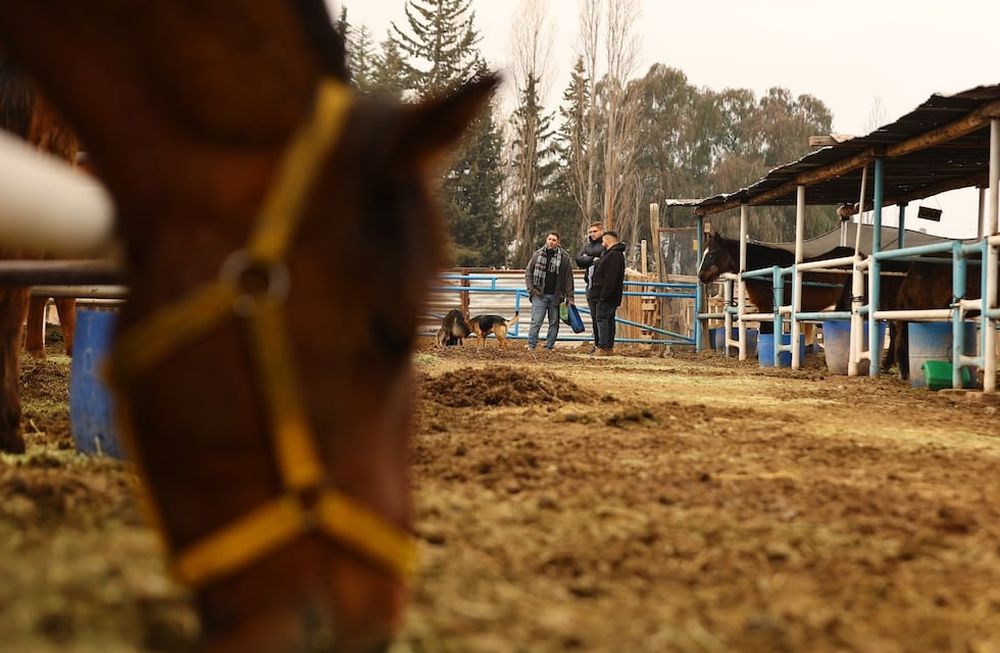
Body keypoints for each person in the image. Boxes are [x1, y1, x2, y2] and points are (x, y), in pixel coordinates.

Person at [524, 231, 575, 351]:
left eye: (554, 240)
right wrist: (531, 290)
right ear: (546, 240)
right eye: (549, 239)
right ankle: (531, 345)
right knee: (536, 321)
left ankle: (549, 346)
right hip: (539, 295)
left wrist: (570, 297)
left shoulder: (564, 258)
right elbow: (528, 273)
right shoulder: (537, 255)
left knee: (554, 323)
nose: (551, 242)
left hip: (556, 296)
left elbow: (568, 278)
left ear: (558, 242)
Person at [588, 230, 626, 356]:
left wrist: (604, 295)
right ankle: (608, 347)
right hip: (609, 295)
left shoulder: (614, 255)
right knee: (608, 320)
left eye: (603, 240)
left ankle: (603, 347)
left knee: (602, 319)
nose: (602, 242)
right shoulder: (613, 254)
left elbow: (611, 278)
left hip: (606, 295)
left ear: (609, 240)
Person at [575, 221, 604, 352]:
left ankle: (604, 345)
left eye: (595, 231)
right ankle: (597, 344)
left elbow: (603, 261)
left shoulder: (605, 245)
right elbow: (579, 260)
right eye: (591, 232)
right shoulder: (587, 246)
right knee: (594, 318)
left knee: (602, 318)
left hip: (602, 286)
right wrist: (593, 260)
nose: (592, 234)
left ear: (601, 231)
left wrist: (588, 259)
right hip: (590, 285)